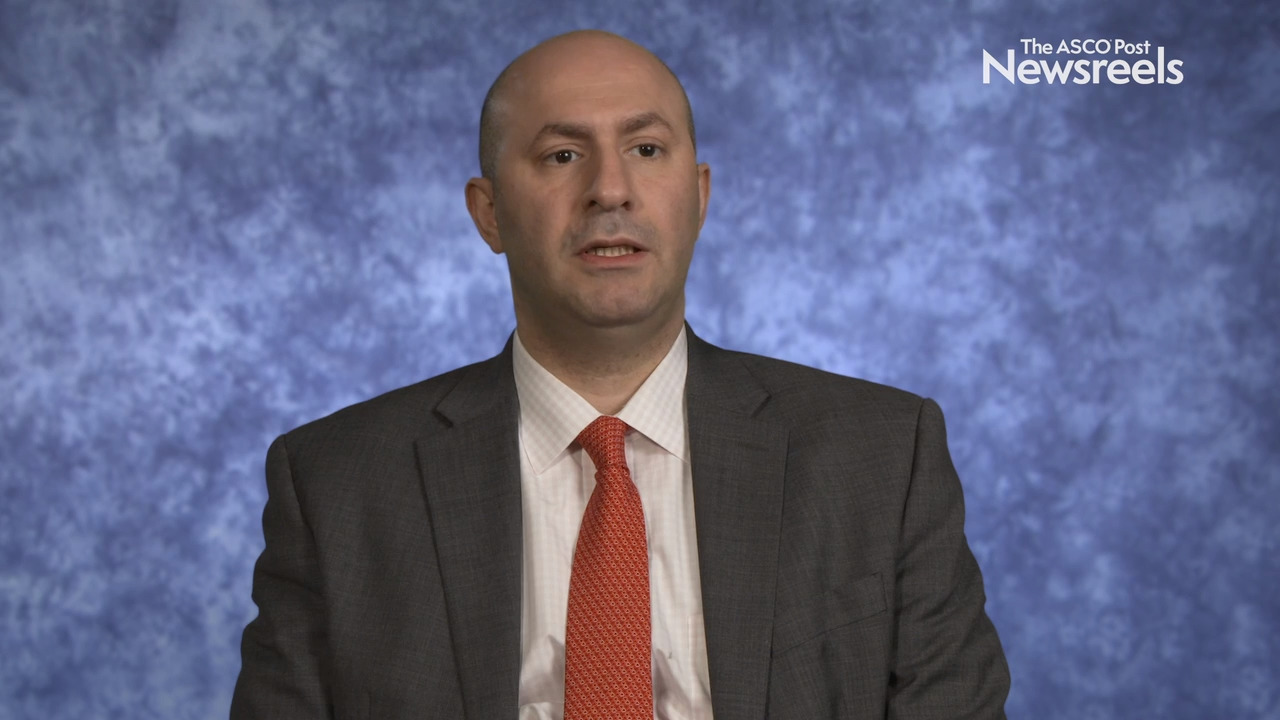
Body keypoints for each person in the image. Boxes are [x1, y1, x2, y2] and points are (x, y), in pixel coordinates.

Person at [231, 29, 1010, 720]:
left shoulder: (882, 456)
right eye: (562, 155)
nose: (610, 188)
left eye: (646, 149)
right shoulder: (335, 483)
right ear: (489, 212)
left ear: (698, 197)